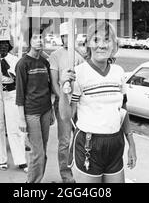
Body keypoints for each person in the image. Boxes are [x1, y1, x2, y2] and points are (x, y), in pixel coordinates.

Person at [67, 20, 137, 183]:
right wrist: (65, 92)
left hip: (115, 143)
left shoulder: (119, 72)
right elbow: (67, 115)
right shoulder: (78, 73)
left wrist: (131, 143)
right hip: (89, 144)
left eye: (107, 40)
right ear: (88, 44)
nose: (102, 45)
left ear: (114, 45)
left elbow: (123, 109)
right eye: (96, 40)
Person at [0, 40, 27, 172]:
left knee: (14, 126)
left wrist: (5, 67)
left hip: (11, 93)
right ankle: (1, 159)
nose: (3, 46)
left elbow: (16, 77)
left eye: (5, 44)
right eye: (0, 44)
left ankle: (21, 160)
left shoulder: (15, 59)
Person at [16, 29, 53, 183]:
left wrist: (51, 112)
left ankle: (37, 179)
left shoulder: (45, 62)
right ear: (29, 41)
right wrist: (21, 119)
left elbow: (49, 89)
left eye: (41, 38)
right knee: (37, 152)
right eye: (35, 38)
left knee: (43, 151)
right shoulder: (23, 64)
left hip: (45, 110)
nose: (39, 41)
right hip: (31, 113)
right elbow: (20, 93)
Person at [49, 22, 84, 183]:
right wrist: (63, 97)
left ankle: (85, 171)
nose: (67, 39)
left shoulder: (80, 56)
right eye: (64, 36)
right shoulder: (55, 55)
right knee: (64, 141)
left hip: (80, 103)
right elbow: (54, 82)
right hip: (63, 102)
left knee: (82, 138)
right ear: (61, 37)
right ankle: (66, 177)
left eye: (70, 36)